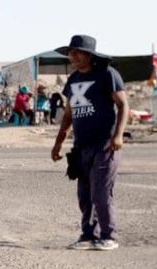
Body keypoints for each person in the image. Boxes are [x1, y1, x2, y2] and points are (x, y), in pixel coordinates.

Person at [51, 35, 128, 251]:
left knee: (101, 193)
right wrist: (58, 144)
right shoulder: (74, 79)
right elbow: (68, 114)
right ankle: (87, 236)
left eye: (77, 52)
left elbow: (123, 105)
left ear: (89, 55)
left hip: (105, 144)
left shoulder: (107, 74)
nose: (72, 56)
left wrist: (118, 135)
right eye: (70, 52)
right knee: (84, 195)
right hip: (81, 146)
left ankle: (108, 235)